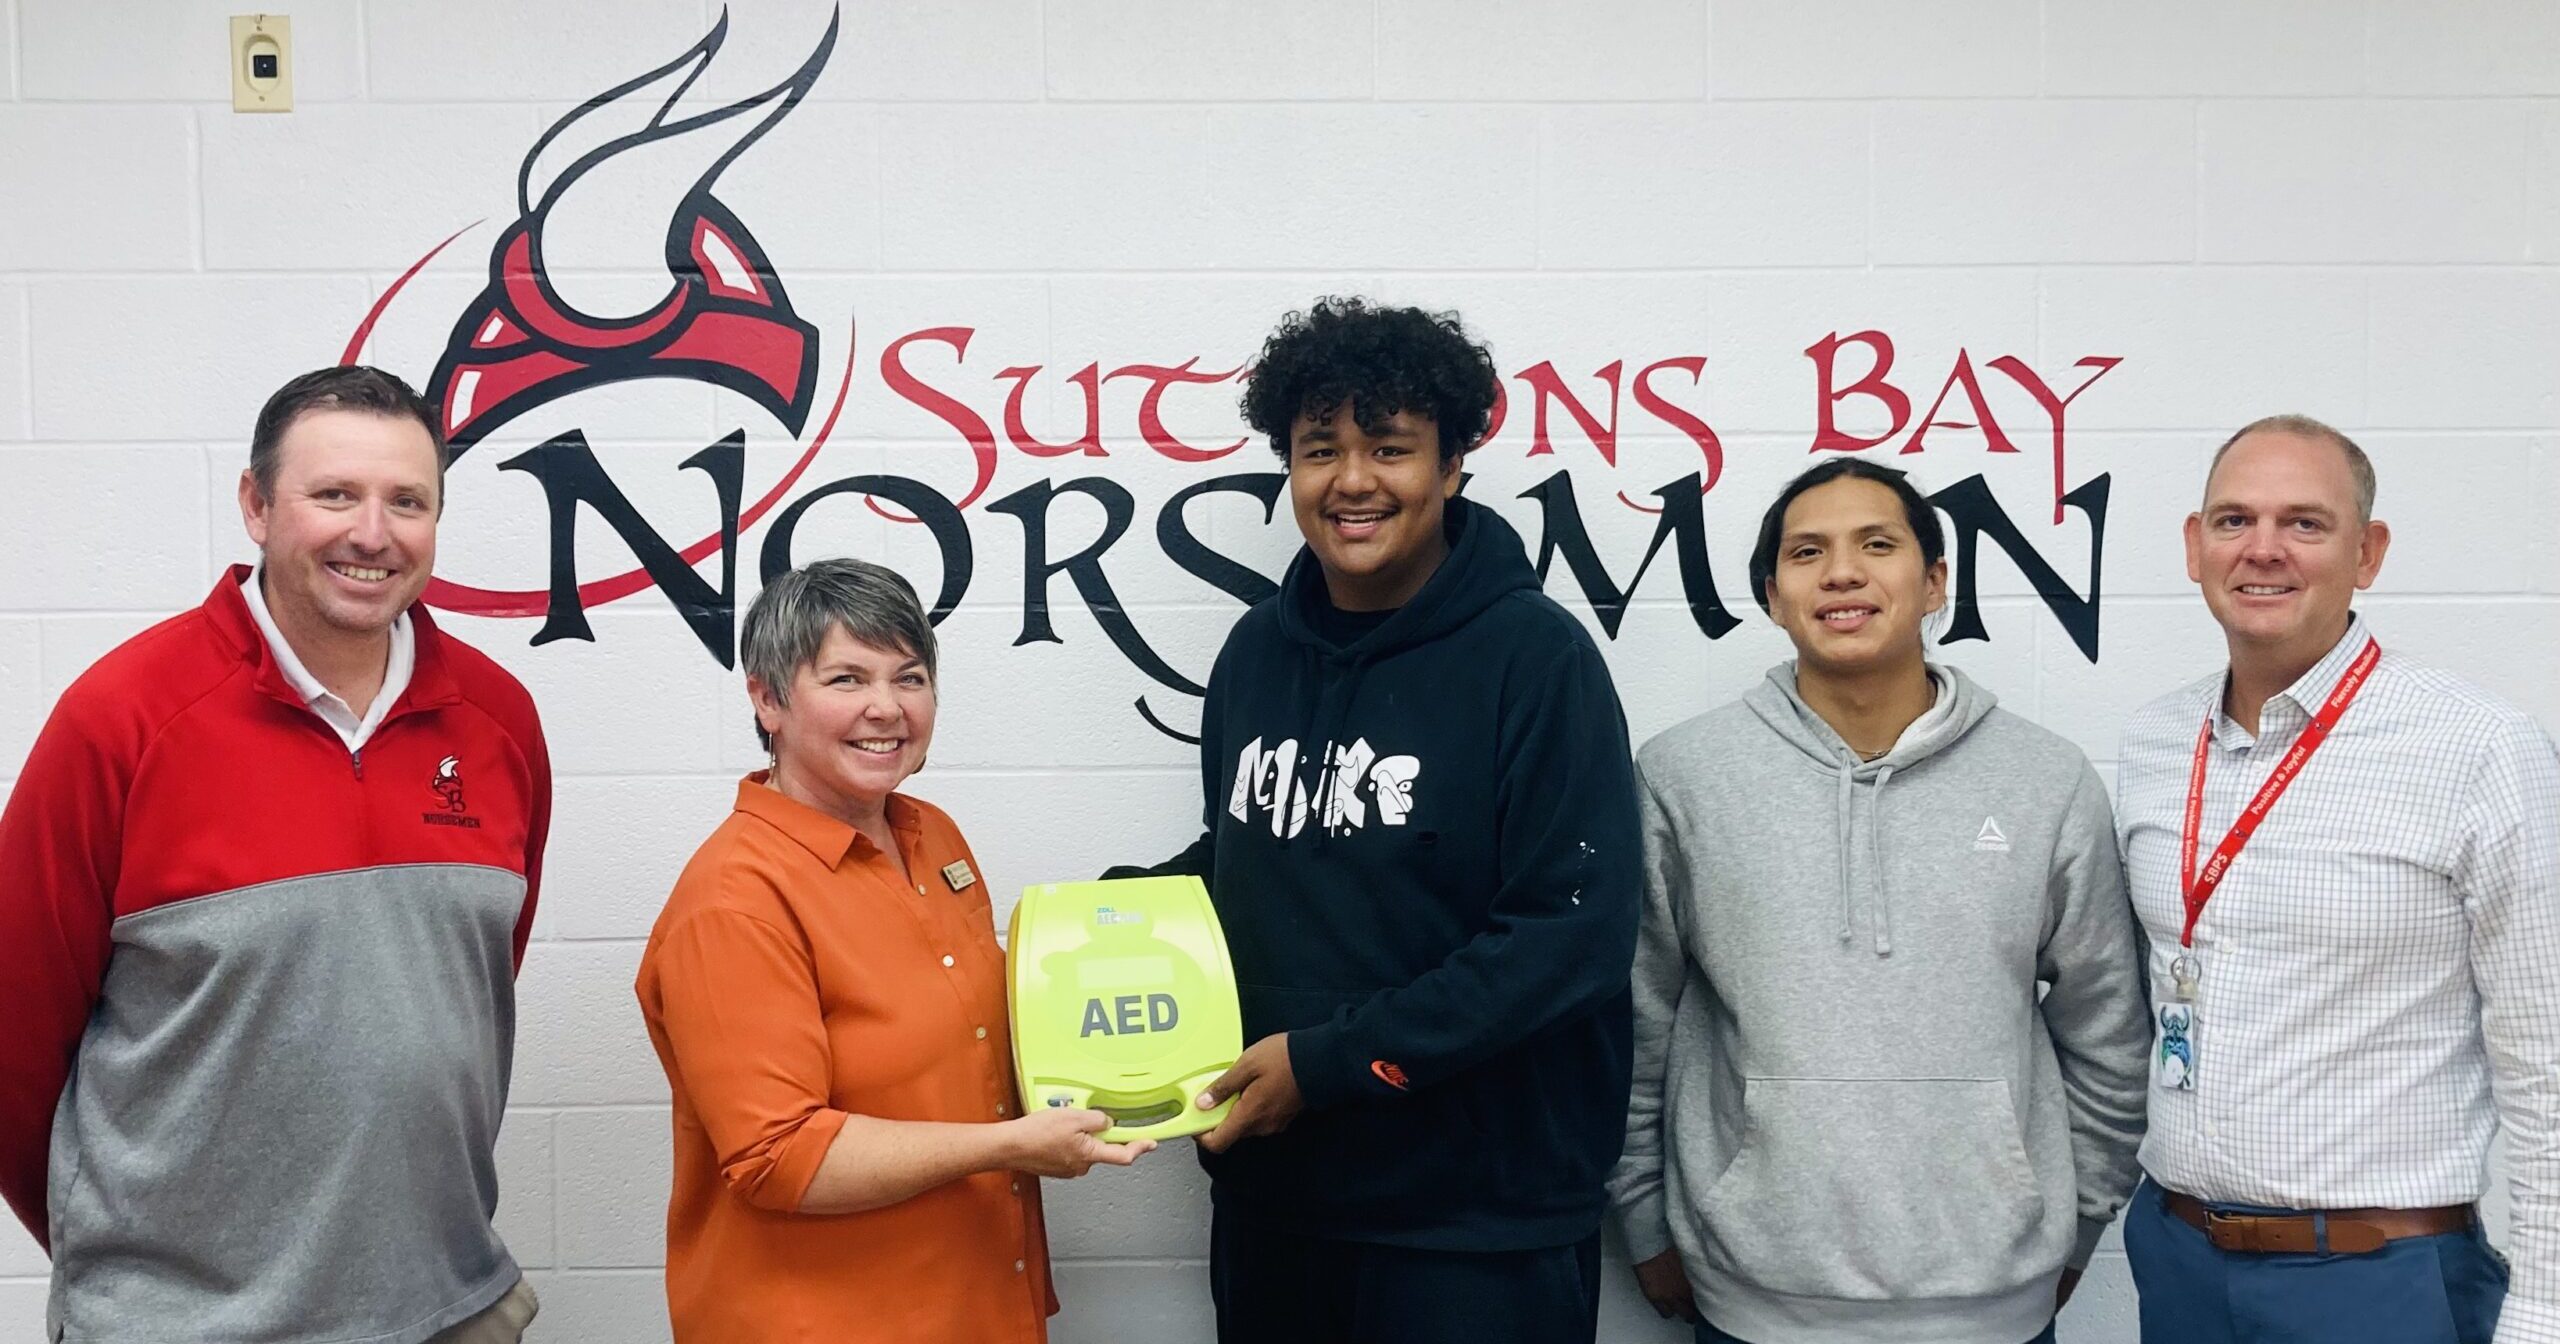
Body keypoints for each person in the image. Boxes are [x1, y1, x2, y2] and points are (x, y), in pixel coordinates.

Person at [1108, 297, 1644, 1344]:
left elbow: (1566, 938)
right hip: (1279, 1207)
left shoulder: (1537, 662)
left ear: (1451, 467)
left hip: (1474, 1231)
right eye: (1320, 450)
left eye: (1389, 447)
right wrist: (1110, 926)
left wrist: (1327, 1065)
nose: (1351, 480)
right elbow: (1257, 858)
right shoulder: (1255, 656)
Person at [0, 365, 551, 1343]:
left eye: (407, 501)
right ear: (256, 505)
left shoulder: (498, 722)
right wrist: (134, 1271)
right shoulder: (124, 720)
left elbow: (458, 997)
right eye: (334, 494)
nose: (371, 534)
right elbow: (12, 1038)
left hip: (444, 1311)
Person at [1611, 457, 2151, 1344]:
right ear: (1772, 596)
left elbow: (2109, 1031)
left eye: (1878, 544)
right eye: (1806, 552)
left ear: (1935, 581)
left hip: (1995, 1299)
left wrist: (2080, 1222)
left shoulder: (2045, 780)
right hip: (1751, 1295)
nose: (1843, 573)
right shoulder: (1684, 777)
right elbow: (1635, 1016)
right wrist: (1639, 1211)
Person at [2114, 415, 2559, 1344]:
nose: (2264, 550)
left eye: (2305, 524)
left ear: (2369, 552)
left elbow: (2547, 1060)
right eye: (2233, 520)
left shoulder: (2478, 747)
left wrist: (2544, 1309)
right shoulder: (2156, 743)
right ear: (2195, 548)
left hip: (2378, 1281)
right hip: (2179, 1258)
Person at [634, 558, 1152, 1342]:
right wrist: (1011, 1146)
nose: (886, 708)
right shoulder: (733, 900)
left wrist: (1163, 1065)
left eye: (909, 678)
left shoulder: (932, 833)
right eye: (846, 679)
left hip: (978, 1304)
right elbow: (780, 1156)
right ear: (767, 699)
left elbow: (982, 1042)